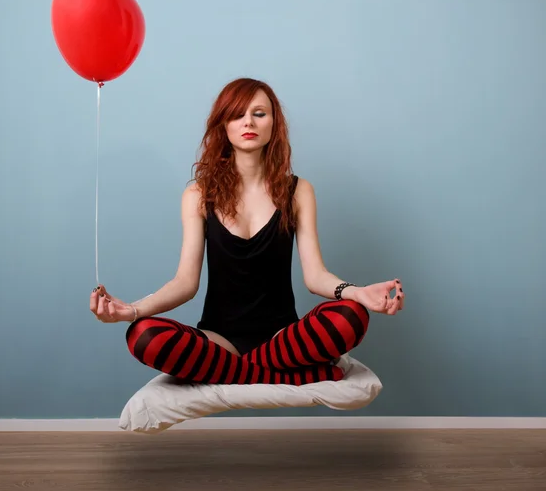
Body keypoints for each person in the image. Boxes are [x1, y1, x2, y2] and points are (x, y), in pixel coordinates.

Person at [90, 77, 405, 386]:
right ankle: (279, 375)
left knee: (352, 316)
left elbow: (315, 276)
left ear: (273, 124)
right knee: (143, 336)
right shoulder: (198, 196)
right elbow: (185, 283)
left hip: (285, 341)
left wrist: (357, 292)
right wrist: (131, 310)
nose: (248, 122)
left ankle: (239, 371)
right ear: (223, 125)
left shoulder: (298, 191)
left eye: (259, 113)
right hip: (219, 340)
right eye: (237, 114)